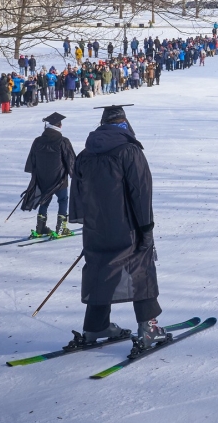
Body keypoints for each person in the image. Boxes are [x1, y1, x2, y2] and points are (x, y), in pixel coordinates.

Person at [70, 104, 168, 355]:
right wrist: (146, 228)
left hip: (95, 228)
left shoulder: (84, 154)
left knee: (100, 270)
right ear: (124, 124)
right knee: (141, 269)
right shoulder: (130, 151)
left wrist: (88, 222)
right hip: (129, 227)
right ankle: (149, 327)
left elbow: (78, 195)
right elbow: (142, 193)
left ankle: (95, 326)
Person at [22, 112, 77, 238]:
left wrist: (35, 175)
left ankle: (40, 228)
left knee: (44, 200)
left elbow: (32, 160)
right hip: (59, 178)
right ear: (60, 126)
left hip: (42, 177)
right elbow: (70, 159)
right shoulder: (63, 141)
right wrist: (75, 173)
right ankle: (61, 228)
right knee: (62, 200)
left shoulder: (37, 141)